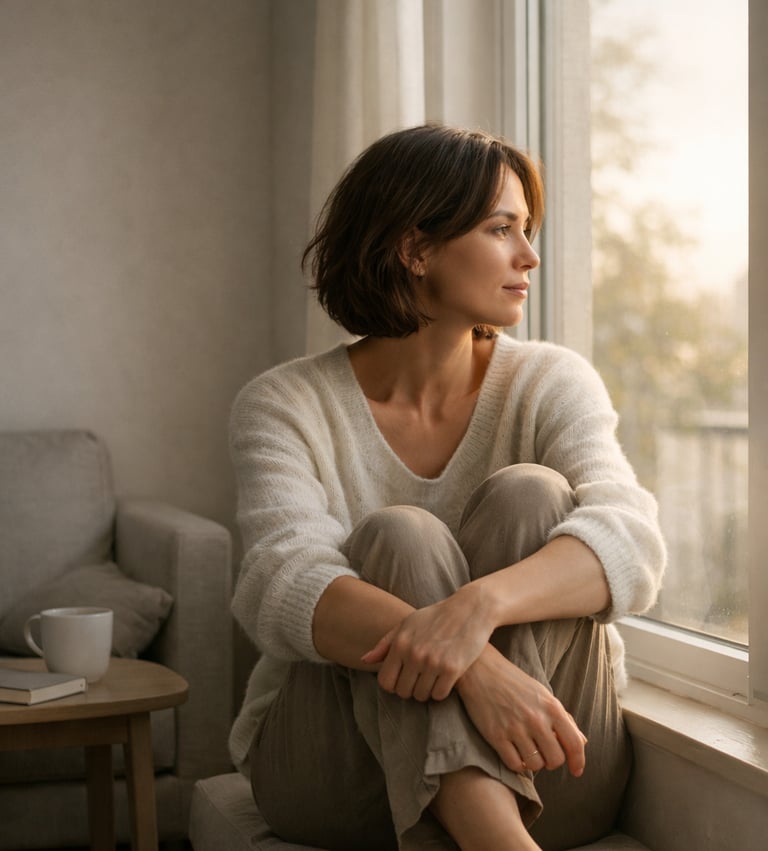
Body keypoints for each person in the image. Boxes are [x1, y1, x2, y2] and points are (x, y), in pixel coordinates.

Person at [228, 124, 666, 851]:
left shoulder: (550, 381)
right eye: (503, 229)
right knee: (401, 535)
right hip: (338, 773)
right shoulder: (285, 403)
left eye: (527, 230)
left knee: (534, 492)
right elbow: (280, 581)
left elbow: (631, 544)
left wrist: (477, 609)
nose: (529, 256)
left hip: (556, 760)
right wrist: (477, 670)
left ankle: (476, 823)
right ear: (415, 248)